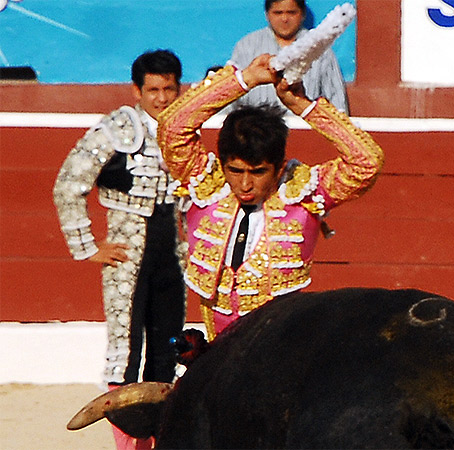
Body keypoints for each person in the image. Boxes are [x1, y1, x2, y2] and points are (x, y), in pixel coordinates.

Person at [157, 54, 383, 341]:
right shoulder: (207, 181)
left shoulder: (302, 192)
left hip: (278, 341)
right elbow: (172, 128)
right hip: (216, 343)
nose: (245, 184)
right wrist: (245, 79)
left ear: (278, 169)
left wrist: (304, 106)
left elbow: (367, 162)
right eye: (235, 170)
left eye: (258, 172)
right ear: (223, 163)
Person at [53, 49, 187, 449]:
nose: (161, 98)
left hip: (173, 255)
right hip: (127, 257)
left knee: (167, 350)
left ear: (179, 89)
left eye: (169, 89)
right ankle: (128, 445)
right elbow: (68, 183)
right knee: (124, 353)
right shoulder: (117, 129)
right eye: (153, 90)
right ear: (136, 91)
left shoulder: (184, 129)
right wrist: (87, 247)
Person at [227, 0, 349, 113]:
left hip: (304, 127)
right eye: (278, 13)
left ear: (303, 14)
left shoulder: (321, 49)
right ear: (267, 14)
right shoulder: (246, 46)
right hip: (255, 128)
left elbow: (337, 101)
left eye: (291, 13)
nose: (284, 19)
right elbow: (229, 96)